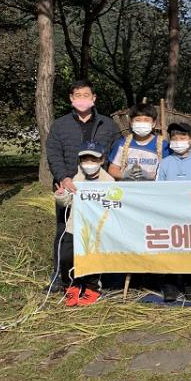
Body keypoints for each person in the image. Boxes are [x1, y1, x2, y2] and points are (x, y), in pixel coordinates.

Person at [45, 79, 120, 291]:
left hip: (99, 188)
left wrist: (111, 180)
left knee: (98, 230)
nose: (82, 99)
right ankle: (61, 276)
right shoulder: (60, 125)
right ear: (71, 98)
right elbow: (53, 154)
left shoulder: (108, 124)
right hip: (70, 187)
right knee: (64, 231)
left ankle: (95, 277)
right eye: (77, 95)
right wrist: (63, 178)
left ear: (94, 98)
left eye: (86, 95)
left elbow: (116, 153)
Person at [54, 142, 114, 306]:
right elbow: (66, 201)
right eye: (85, 160)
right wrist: (60, 195)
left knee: (93, 259)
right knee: (66, 257)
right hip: (74, 226)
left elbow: (113, 205)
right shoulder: (75, 178)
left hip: (96, 229)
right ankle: (70, 287)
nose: (89, 164)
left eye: (93, 160)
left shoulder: (109, 181)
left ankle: (92, 289)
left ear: (101, 160)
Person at [155, 122, 191, 302]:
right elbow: (157, 190)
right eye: (174, 138)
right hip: (168, 215)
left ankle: (189, 284)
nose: (178, 141)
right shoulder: (164, 164)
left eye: (183, 137)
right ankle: (169, 284)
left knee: (190, 249)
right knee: (170, 249)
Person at [107, 103, 169, 181]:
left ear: (153, 123)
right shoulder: (121, 144)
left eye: (146, 120)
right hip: (128, 187)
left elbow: (168, 171)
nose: (142, 123)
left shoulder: (163, 145)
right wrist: (125, 175)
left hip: (153, 187)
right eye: (138, 120)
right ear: (131, 123)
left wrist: (150, 175)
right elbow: (112, 169)